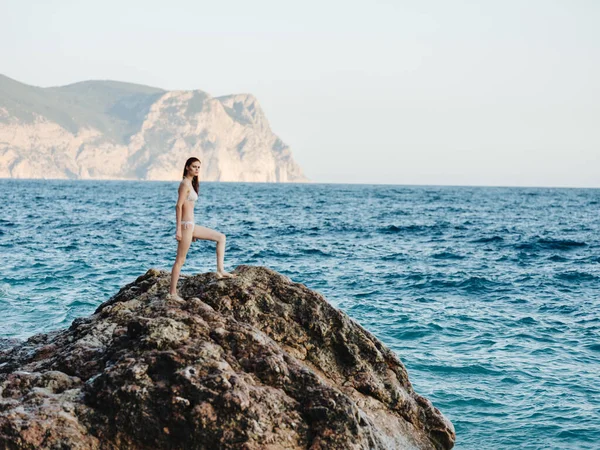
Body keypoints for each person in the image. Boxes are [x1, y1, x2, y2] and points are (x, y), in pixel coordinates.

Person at [169, 157, 234, 300]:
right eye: (194, 166)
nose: (197, 169)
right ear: (187, 167)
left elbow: (190, 208)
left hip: (191, 226)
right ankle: (172, 293)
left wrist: (193, 231)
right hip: (185, 226)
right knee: (180, 260)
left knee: (221, 238)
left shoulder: (191, 184)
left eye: (199, 167)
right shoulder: (185, 184)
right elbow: (178, 206)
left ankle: (220, 270)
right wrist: (179, 229)